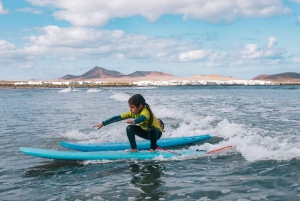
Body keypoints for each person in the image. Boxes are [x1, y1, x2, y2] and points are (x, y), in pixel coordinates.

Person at [93, 94, 163, 152]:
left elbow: (143, 118)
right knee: (129, 128)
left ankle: (152, 149)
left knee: (152, 129)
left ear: (140, 106)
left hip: (156, 134)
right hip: (146, 133)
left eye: (132, 107)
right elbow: (117, 118)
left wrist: (134, 121)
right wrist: (103, 123)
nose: (130, 109)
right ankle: (134, 148)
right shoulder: (132, 113)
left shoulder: (145, 111)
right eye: (130, 107)